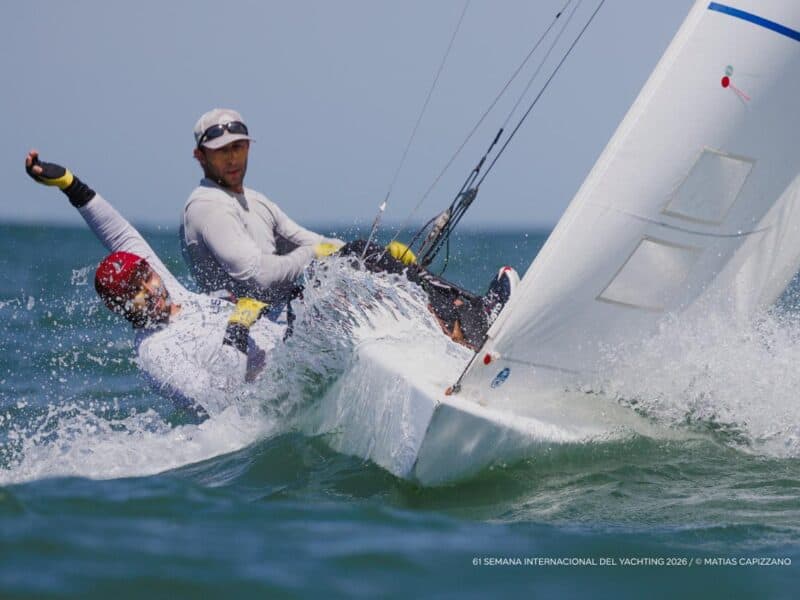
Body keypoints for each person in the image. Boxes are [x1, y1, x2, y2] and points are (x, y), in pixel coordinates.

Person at [25, 150, 285, 420]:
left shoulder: (170, 291)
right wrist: (237, 331)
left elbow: (119, 233)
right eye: (135, 290)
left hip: (292, 354)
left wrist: (69, 184)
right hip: (268, 408)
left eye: (147, 276)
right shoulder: (156, 353)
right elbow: (220, 402)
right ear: (119, 306)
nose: (150, 289)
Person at [182, 108, 344, 305]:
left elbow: (315, 242)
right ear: (200, 156)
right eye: (221, 151)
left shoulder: (257, 201)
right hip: (238, 331)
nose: (232, 159)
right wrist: (313, 253)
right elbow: (261, 276)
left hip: (279, 326)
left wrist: (365, 256)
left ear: (248, 147)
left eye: (237, 147)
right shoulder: (207, 207)